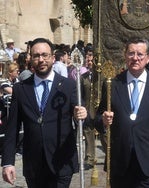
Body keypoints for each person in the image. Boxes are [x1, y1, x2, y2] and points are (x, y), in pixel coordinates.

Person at [1, 38, 87, 188]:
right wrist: (8, 162)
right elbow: (12, 127)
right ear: (31, 59)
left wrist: (80, 114)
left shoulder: (68, 86)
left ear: (53, 58)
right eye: (36, 56)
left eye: (45, 55)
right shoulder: (21, 89)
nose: (41, 60)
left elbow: (80, 115)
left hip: (61, 161)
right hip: (34, 164)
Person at [95, 37, 149, 187]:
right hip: (120, 161)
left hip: (148, 161)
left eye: (140, 54)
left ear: (148, 57)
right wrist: (104, 121)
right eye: (131, 53)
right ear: (125, 55)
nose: (135, 58)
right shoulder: (112, 84)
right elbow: (98, 119)